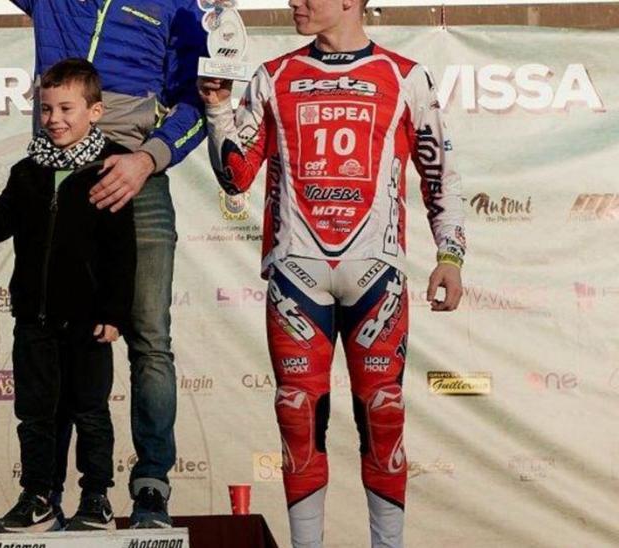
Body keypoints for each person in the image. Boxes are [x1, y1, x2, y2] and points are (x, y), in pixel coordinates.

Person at [197, 0, 466, 545]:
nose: (294, 3)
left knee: (384, 418)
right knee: (297, 418)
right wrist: (219, 110)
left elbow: (440, 171)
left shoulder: (405, 76)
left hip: (377, 276)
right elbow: (236, 177)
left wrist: (450, 255)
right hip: (298, 275)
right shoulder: (274, 77)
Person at [8, 0, 210, 526]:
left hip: (135, 176)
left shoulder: (176, 7)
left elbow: (196, 100)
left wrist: (149, 158)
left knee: (148, 335)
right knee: (55, 331)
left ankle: (150, 488)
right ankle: (44, 493)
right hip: (58, 173)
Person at [0, 58, 135, 533]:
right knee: (35, 415)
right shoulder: (27, 171)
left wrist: (115, 312)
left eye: (66, 109)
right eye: (47, 109)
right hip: (33, 320)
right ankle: (38, 497)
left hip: (90, 321)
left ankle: (96, 498)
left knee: (90, 412)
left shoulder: (112, 167)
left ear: (95, 111)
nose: (54, 119)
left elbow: (123, 251)